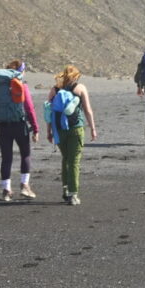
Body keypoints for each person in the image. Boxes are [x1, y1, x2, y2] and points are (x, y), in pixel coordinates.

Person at [0, 59, 39, 201]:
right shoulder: (22, 85)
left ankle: (6, 190)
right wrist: (35, 128)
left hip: (2, 125)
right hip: (19, 124)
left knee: (6, 158)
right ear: (21, 71)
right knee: (25, 154)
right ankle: (24, 186)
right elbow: (29, 108)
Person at [48, 65, 99, 205]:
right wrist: (93, 128)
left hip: (59, 129)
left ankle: (65, 190)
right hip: (76, 128)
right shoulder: (80, 88)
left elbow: (49, 112)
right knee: (74, 161)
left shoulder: (54, 89)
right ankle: (73, 194)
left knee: (66, 159)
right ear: (76, 76)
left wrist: (49, 131)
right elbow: (88, 110)